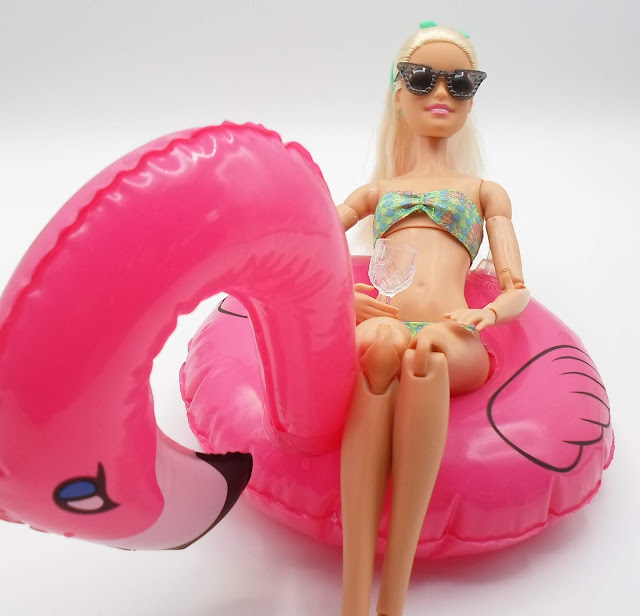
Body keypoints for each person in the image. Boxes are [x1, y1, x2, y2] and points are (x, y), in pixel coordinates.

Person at [335, 23, 530, 616]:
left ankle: (393, 593)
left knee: (427, 351)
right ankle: (353, 596)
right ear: (398, 95)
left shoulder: (485, 192)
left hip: (455, 332)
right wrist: (341, 298)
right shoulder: (376, 191)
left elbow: (518, 289)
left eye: (460, 83)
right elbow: (308, 242)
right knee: (382, 343)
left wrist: (485, 311)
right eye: (422, 79)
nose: (441, 93)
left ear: (471, 98)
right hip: (387, 317)